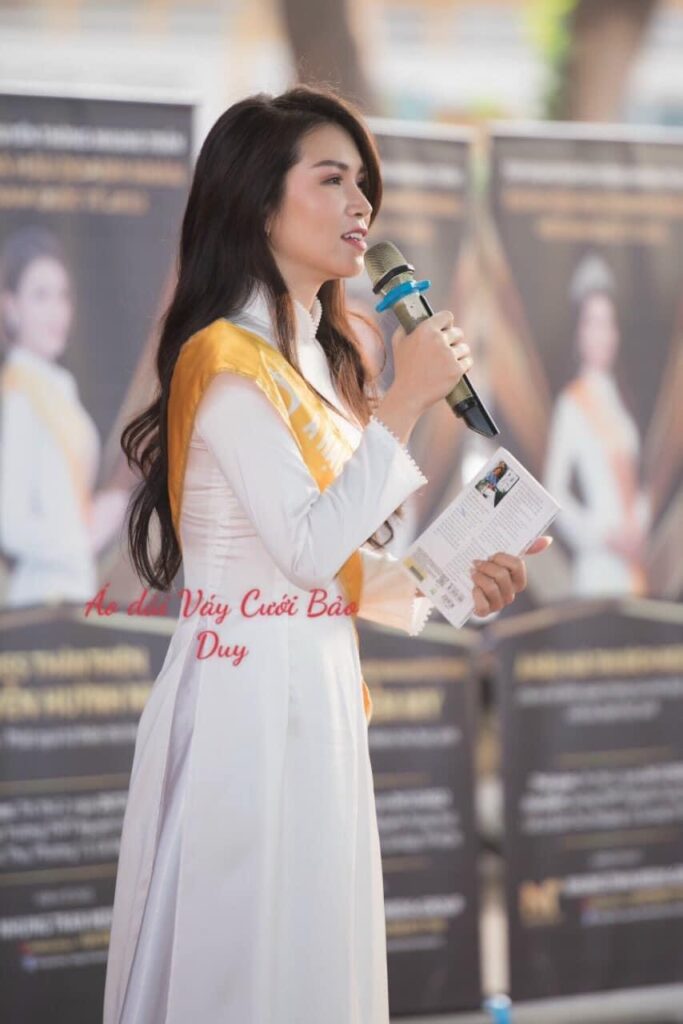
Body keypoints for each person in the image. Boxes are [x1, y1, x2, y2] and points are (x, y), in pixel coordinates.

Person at [102, 86, 551, 1024]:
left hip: (321, 700)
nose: (361, 205)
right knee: (244, 970)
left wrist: (454, 582)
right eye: (332, 180)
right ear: (260, 202)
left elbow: (339, 576)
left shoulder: (315, 359)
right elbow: (305, 549)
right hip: (244, 707)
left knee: (315, 968)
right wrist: (406, 399)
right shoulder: (224, 358)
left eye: (363, 184)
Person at [0, 225, 128, 607]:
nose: (56, 312)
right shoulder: (18, 395)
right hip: (41, 599)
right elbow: (10, 524)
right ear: (10, 306)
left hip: (71, 590)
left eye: (63, 296)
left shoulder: (56, 386)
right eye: (41, 296)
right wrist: (86, 538)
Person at [544, 252, 650, 597]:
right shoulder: (571, 404)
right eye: (593, 323)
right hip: (597, 567)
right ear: (579, 331)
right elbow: (554, 492)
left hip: (634, 567)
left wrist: (639, 526)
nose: (602, 334)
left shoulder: (621, 400)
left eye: (608, 324)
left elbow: (638, 484)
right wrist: (603, 535)